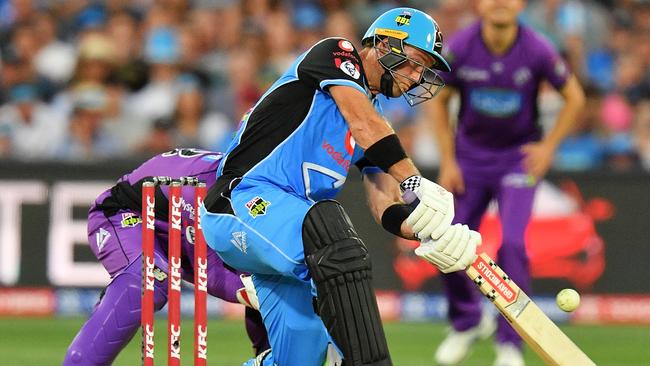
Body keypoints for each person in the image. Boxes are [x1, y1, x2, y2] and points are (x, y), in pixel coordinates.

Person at [199, 7, 481, 366]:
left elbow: (384, 201)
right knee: (335, 234)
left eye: (424, 70)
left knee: (299, 361)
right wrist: (416, 180)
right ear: (384, 44)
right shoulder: (336, 53)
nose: (416, 78)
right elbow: (363, 123)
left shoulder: (373, 115)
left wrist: (430, 232)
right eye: (414, 63)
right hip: (241, 203)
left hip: (289, 237)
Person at [426, 1, 586, 365]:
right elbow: (438, 101)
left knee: (513, 245)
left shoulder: (537, 49)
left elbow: (575, 98)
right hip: (469, 160)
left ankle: (510, 342)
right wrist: (448, 159)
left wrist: (548, 148)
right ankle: (467, 321)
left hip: (516, 160)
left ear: (521, 4)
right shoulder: (462, 47)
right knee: (445, 240)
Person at [63, 148, 269, 365]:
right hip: (125, 214)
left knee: (276, 281)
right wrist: (255, 292)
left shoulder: (267, 185)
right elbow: (209, 272)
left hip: (181, 229)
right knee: (147, 281)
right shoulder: (210, 188)